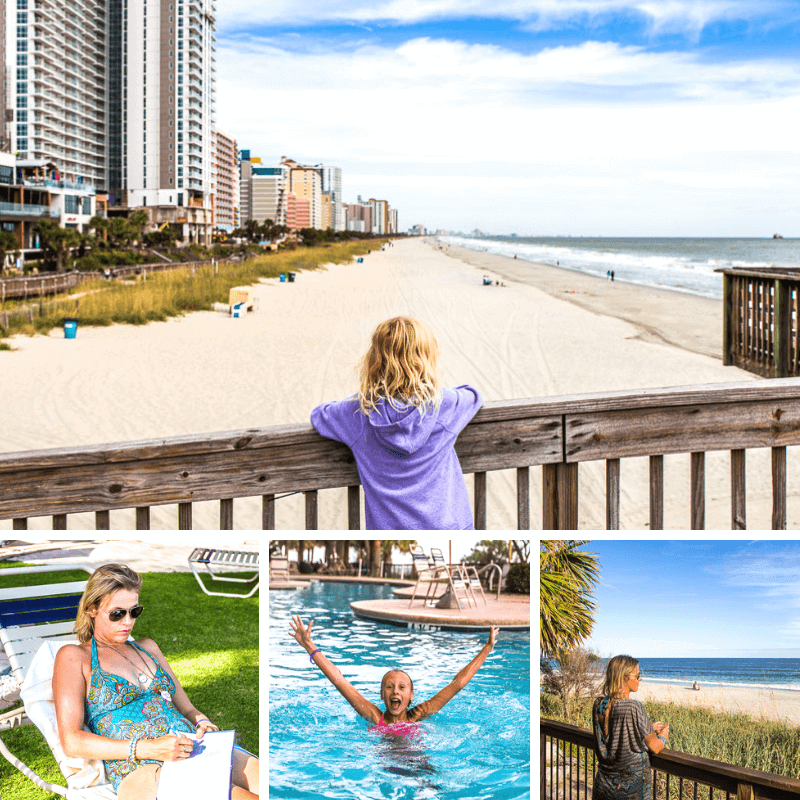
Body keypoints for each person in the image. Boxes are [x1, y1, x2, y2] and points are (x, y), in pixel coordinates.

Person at [53, 564, 259, 800]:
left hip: (195, 747)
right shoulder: (74, 657)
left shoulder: (147, 647)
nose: (128, 622)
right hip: (142, 766)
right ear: (91, 608)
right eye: (117, 613)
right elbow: (71, 740)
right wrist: (148, 748)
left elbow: (189, 709)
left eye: (134, 611)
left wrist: (204, 723)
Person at [311, 316, 482, 530]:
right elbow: (473, 395)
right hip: (448, 528)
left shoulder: (358, 413)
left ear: (374, 361)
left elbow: (319, 415)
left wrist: (362, 397)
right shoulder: (446, 406)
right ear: (428, 360)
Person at [290, 615, 497, 730]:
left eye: (401, 687)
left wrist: (487, 648)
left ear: (411, 695)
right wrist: (310, 647)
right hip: (387, 769)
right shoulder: (374, 716)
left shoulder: (419, 714)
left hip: (419, 767)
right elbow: (339, 680)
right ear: (382, 695)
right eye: (389, 687)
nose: (395, 692)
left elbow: (456, 684)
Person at [592, 655, 669, 800]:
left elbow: (613, 730)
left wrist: (647, 728)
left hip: (604, 785)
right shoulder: (633, 706)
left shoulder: (599, 704)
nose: (640, 678)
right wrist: (662, 736)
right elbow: (656, 747)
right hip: (630, 789)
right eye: (638, 675)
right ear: (624, 677)